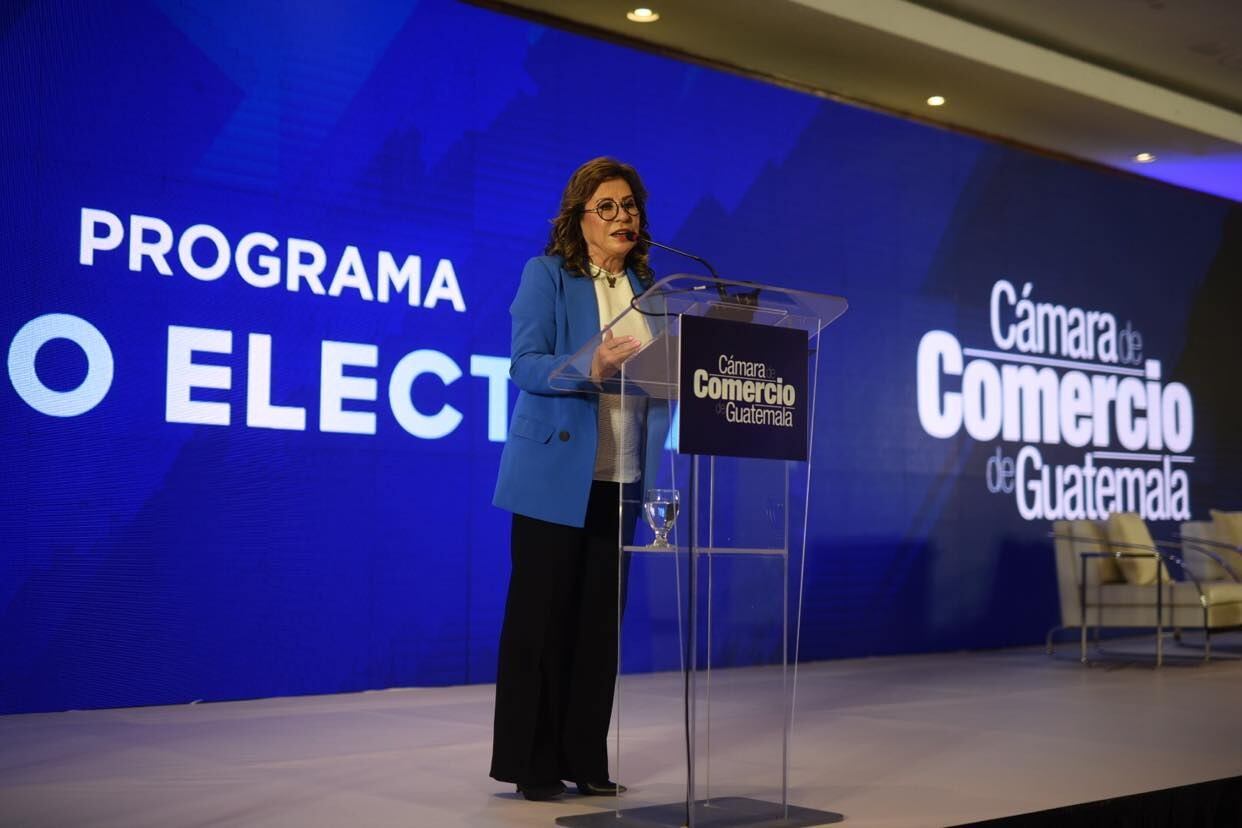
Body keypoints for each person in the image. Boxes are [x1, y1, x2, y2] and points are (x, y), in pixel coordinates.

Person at [490, 157, 668, 801]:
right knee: (541, 622)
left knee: (599, 627)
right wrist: (588, 363)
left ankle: (586, 757)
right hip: (553, 475)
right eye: (608, 206)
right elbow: (524, 364)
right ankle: (533, 763)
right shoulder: (547, 275)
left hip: (622, 476)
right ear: (581, 217)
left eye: (630, 206)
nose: (623, 216)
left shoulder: (654, 291)